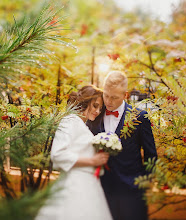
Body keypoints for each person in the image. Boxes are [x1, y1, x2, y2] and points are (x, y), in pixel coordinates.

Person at [86, 71, 157, 220]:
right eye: (106, 95)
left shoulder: (140, 117)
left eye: (114, 97)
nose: (108, 101)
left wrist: (143, 183)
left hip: (131, 192)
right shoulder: (95, 115)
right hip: (100, 190)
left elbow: (151, 155)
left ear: (125, 95)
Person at [35, 85, 112, 220]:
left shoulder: (83, 126)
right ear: (84, 102)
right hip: (75, 186)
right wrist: (92, 161)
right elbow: (57, 154)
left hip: (89, 186)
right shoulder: (69, 121)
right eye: (95, 106)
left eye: (100, 108)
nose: (98, 111)